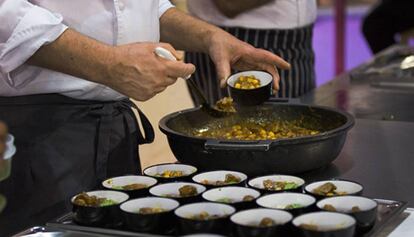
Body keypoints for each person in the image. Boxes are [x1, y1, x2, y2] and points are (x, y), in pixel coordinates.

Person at [0, 0, 289, 235]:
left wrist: (211, 37)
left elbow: (146, 8)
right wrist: (108, 63)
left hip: (113, 128)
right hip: (35, 133)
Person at [186, 0, 317, 105]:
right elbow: (229, 3)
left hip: (299, 40)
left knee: (298, 125)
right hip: (235, 41)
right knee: (236, 130)